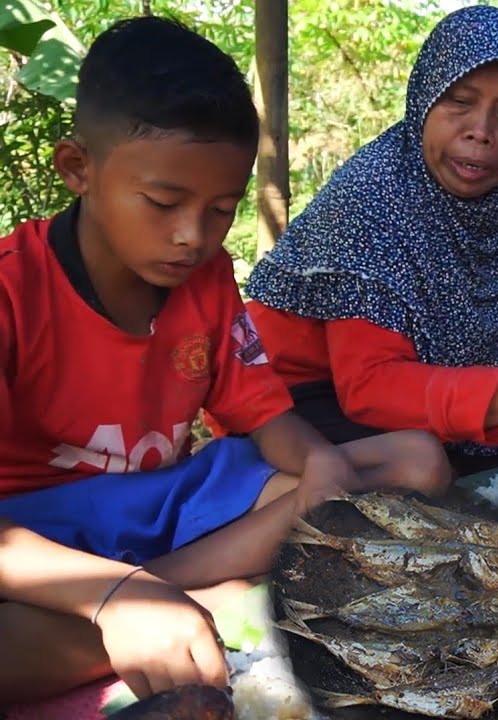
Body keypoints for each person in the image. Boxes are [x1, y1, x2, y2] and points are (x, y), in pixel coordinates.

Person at [0, 17, 447, 703]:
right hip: (39, 536)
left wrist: (319, 461)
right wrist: (112, 591)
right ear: (77, 169)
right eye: (163, 202)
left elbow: (264, 415)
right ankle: (206, 603)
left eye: (220, 210)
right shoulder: (12, 290)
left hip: (169, 509)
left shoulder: (206, 279)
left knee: (412, 462)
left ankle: (176, 603)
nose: (191, 236)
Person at [244, 5, 498, 475]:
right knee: (429, 468)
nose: (480, 132)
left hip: (429, 384)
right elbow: (369, 391)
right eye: (459, 102)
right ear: (424, 100)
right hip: (297, 403)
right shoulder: (370, 197)